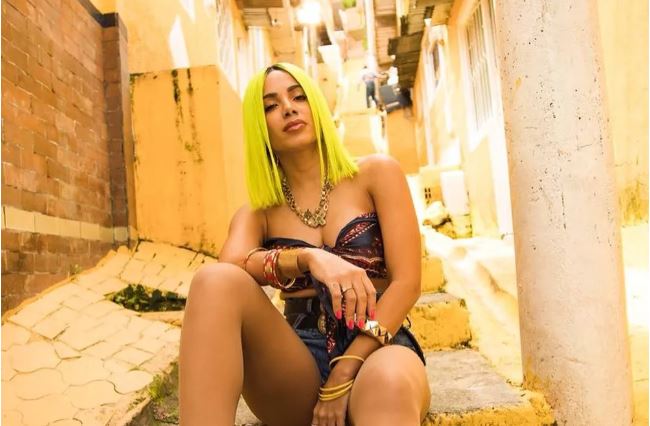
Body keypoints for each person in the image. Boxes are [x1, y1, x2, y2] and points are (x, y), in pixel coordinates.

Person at [179, 62, 430, 426]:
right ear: (259, 126)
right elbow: (229, 267)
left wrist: (345, 369)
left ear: (316, 105)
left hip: (379, 343)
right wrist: (307, 258)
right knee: (213, 280)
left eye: (298, 97)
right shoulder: (259, 212)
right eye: (271, 105)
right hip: (297, 360)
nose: (288, 108)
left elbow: (407, 284)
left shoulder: (376, 174)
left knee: (388, 382)